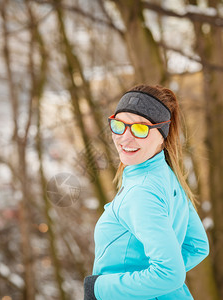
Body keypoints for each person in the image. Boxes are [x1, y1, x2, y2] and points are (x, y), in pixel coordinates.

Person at [83, 84, 209, 299]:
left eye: (141, 128)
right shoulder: (168, 175)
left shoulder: (142, 192)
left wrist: (98, 289)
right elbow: (197, 246)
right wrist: (152, 279)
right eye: (119, 125)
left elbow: (169, 274)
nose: (125, 138)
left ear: (162, 134)